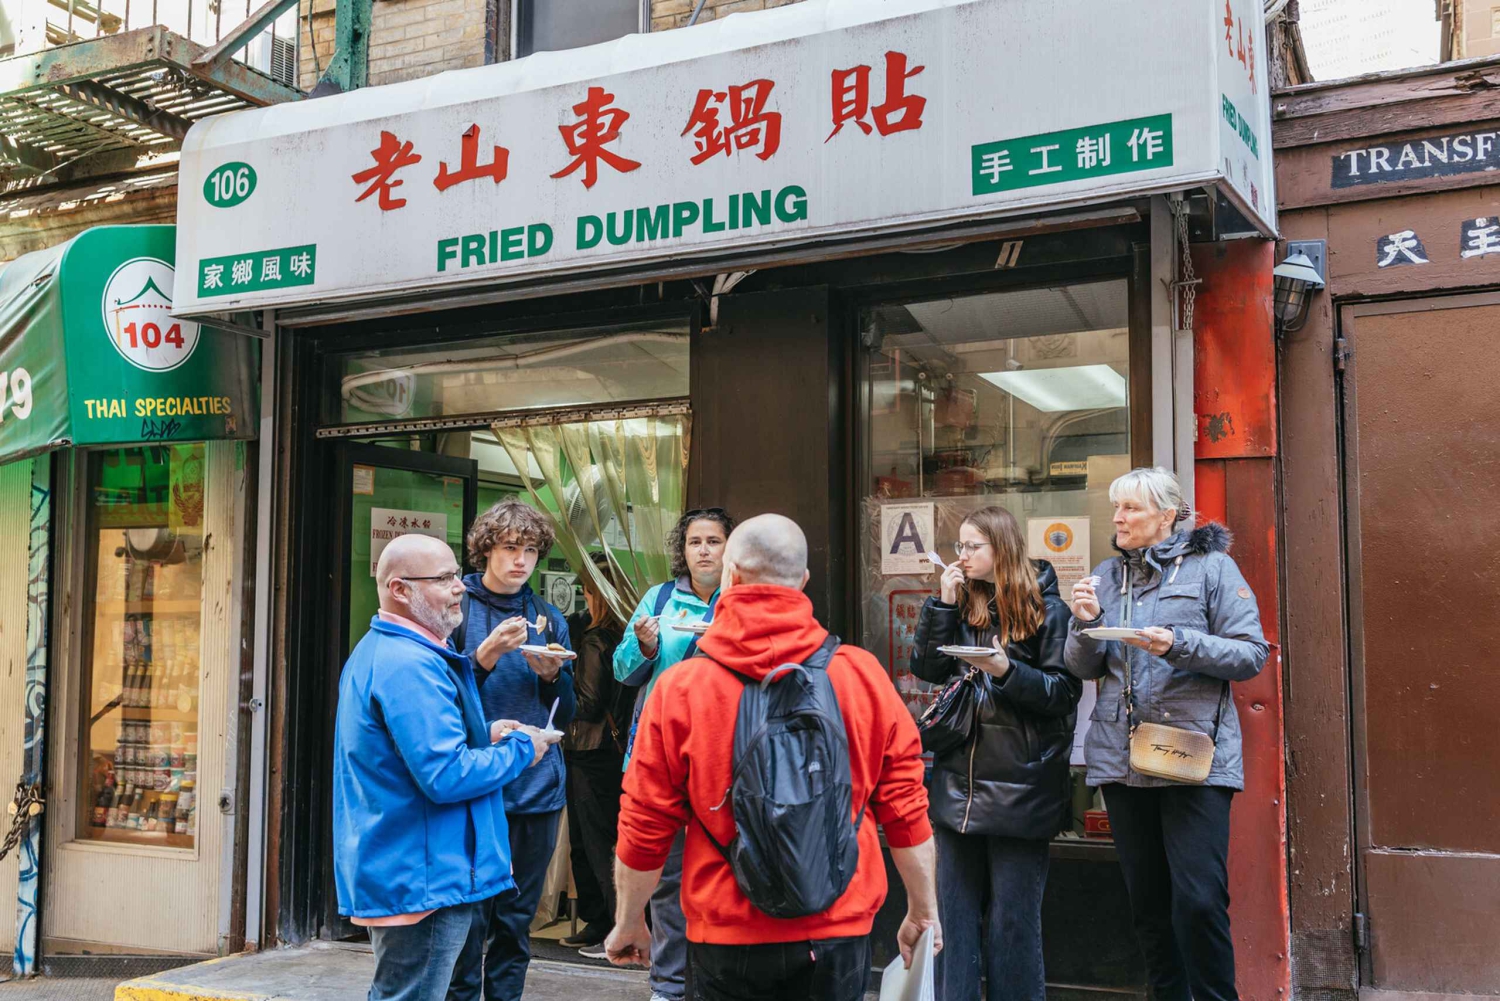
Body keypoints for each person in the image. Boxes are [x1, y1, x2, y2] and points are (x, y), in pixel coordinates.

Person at [604, 514, 942, 1001]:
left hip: (724, 932)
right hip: (840, 926)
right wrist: (922, 910)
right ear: (803, 581)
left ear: (730, 576)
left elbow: (645, 822)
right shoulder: (862, 676)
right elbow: (906, 809)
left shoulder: (683, 688)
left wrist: (630, 920)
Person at [1063, 468, 1268, 1001]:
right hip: (1123, 760)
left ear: (1168, 514)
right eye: (1117, 509)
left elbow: (1250, 654)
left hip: (1192, 759)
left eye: (1130, 508)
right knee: (1148, 905)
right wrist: (1083, 621)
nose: (1118, 518)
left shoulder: (1212, 569)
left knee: (1198, 901)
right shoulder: (1108, 576)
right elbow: (1083, 667)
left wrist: (1176, 643)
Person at [333, 534, 560, 1001]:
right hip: (424, 877)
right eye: (443, 578)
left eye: (456, 574)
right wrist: (523, 747)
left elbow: (413, 751)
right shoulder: (409, 663)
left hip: (413, 868)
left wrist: (487, 731)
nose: (459, 588)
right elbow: (446, 775)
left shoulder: (389, 650)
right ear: (400, 589)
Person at [910, 505, 1081, 1001]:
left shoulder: (1049, 609)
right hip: (957, 783)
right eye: (959, 546)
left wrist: (1006, 670)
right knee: (954, 918)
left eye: (971, 547)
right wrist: (942, 603)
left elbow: (1063, 695)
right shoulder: (962, 603)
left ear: (1001, 549)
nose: (960, 557)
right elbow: (926, 668)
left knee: (1013, 921)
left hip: (1021, 786)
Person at [447, 500, 575, 1001]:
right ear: (485, 550)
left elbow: (565, 714)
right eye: (509, 548)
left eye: (530, 550)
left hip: (538, 788)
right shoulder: (457, 606)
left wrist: (552, 679)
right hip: (475, 786)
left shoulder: (547, 617)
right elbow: (440, 701)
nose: (521, 560)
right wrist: (485, 657)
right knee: (469, 918)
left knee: (515, 922)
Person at [612, 507, 734, 1001]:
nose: (703, 550)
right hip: (660, 758)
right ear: (682, 551)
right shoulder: (659, 598)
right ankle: (667, 985)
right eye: (694, 542)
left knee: (723, 876)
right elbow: (623, 672)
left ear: (731, 548)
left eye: (714, 541)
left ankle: (717, 980)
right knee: (665, 879)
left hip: (725, 763)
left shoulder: (743, 599)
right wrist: (642, 646)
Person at [558, 552, 636, 957]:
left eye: (586, 590)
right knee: (600, 838)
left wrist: (554, 674)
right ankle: (602, 922)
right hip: (611, 750)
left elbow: (586, 704)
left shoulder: (593, 640)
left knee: (594, 840)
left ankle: (609, 925)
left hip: (590, 750)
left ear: (596, 594)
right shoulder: (626, 635)